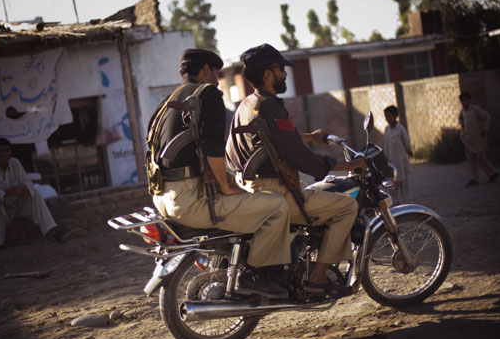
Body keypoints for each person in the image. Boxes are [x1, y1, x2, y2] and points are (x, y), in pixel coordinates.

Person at [148, 48, 291, 298]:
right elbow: (211, 146)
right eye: (215, 74)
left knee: (246, 203)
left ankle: (236, 263)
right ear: (205, 71)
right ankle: (254, 277)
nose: (217, 81)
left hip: (163, 199)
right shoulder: (207, 94)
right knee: (277, 206)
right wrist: (225, 185)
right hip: (191, 200)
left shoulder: (168, 101)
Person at [225, 43, 367, 296]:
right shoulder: (271, 105)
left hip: (249, 187)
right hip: (275, 192)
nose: (285, 74)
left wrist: (310, 137)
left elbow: (277, 138)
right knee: (347, 206)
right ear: (268, 74)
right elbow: (298, 157)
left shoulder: (248, 104)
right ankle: (318, 278)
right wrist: (346, 165)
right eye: (281, 69)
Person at [0, 138, 72, 251]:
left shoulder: (15, 163)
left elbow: (27, 183)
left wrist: (25, 189)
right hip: (0, 209)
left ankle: (51, 230)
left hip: (16, 205)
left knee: (35, 193)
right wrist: (9, 190)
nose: (5, 154)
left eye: (8, 150)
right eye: (1, 151)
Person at [458, 92, 499, 187]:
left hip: (477, 138)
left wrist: (484, 130)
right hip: (468, 140)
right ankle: (473, 178)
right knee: (470, 160)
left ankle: (492, 173)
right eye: (462, 101)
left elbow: (487, 117)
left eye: (466, 100)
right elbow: (461, 120)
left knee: (481, 158)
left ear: (469, 100)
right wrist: (463, 131)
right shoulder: (462, 112)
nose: (464, 102)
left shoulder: (475, 109)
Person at [383, 105, 413, 205]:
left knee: (405, 187)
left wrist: (409, 151)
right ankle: (396, 205)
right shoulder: (387, 129)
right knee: (392, 186)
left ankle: (407, 205)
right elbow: (386, 146)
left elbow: (407, 144)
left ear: (395, 116)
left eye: (389, 116)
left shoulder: (400, 129)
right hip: (391, 163)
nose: (387, 118)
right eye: (385, 116)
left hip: (401, 162)